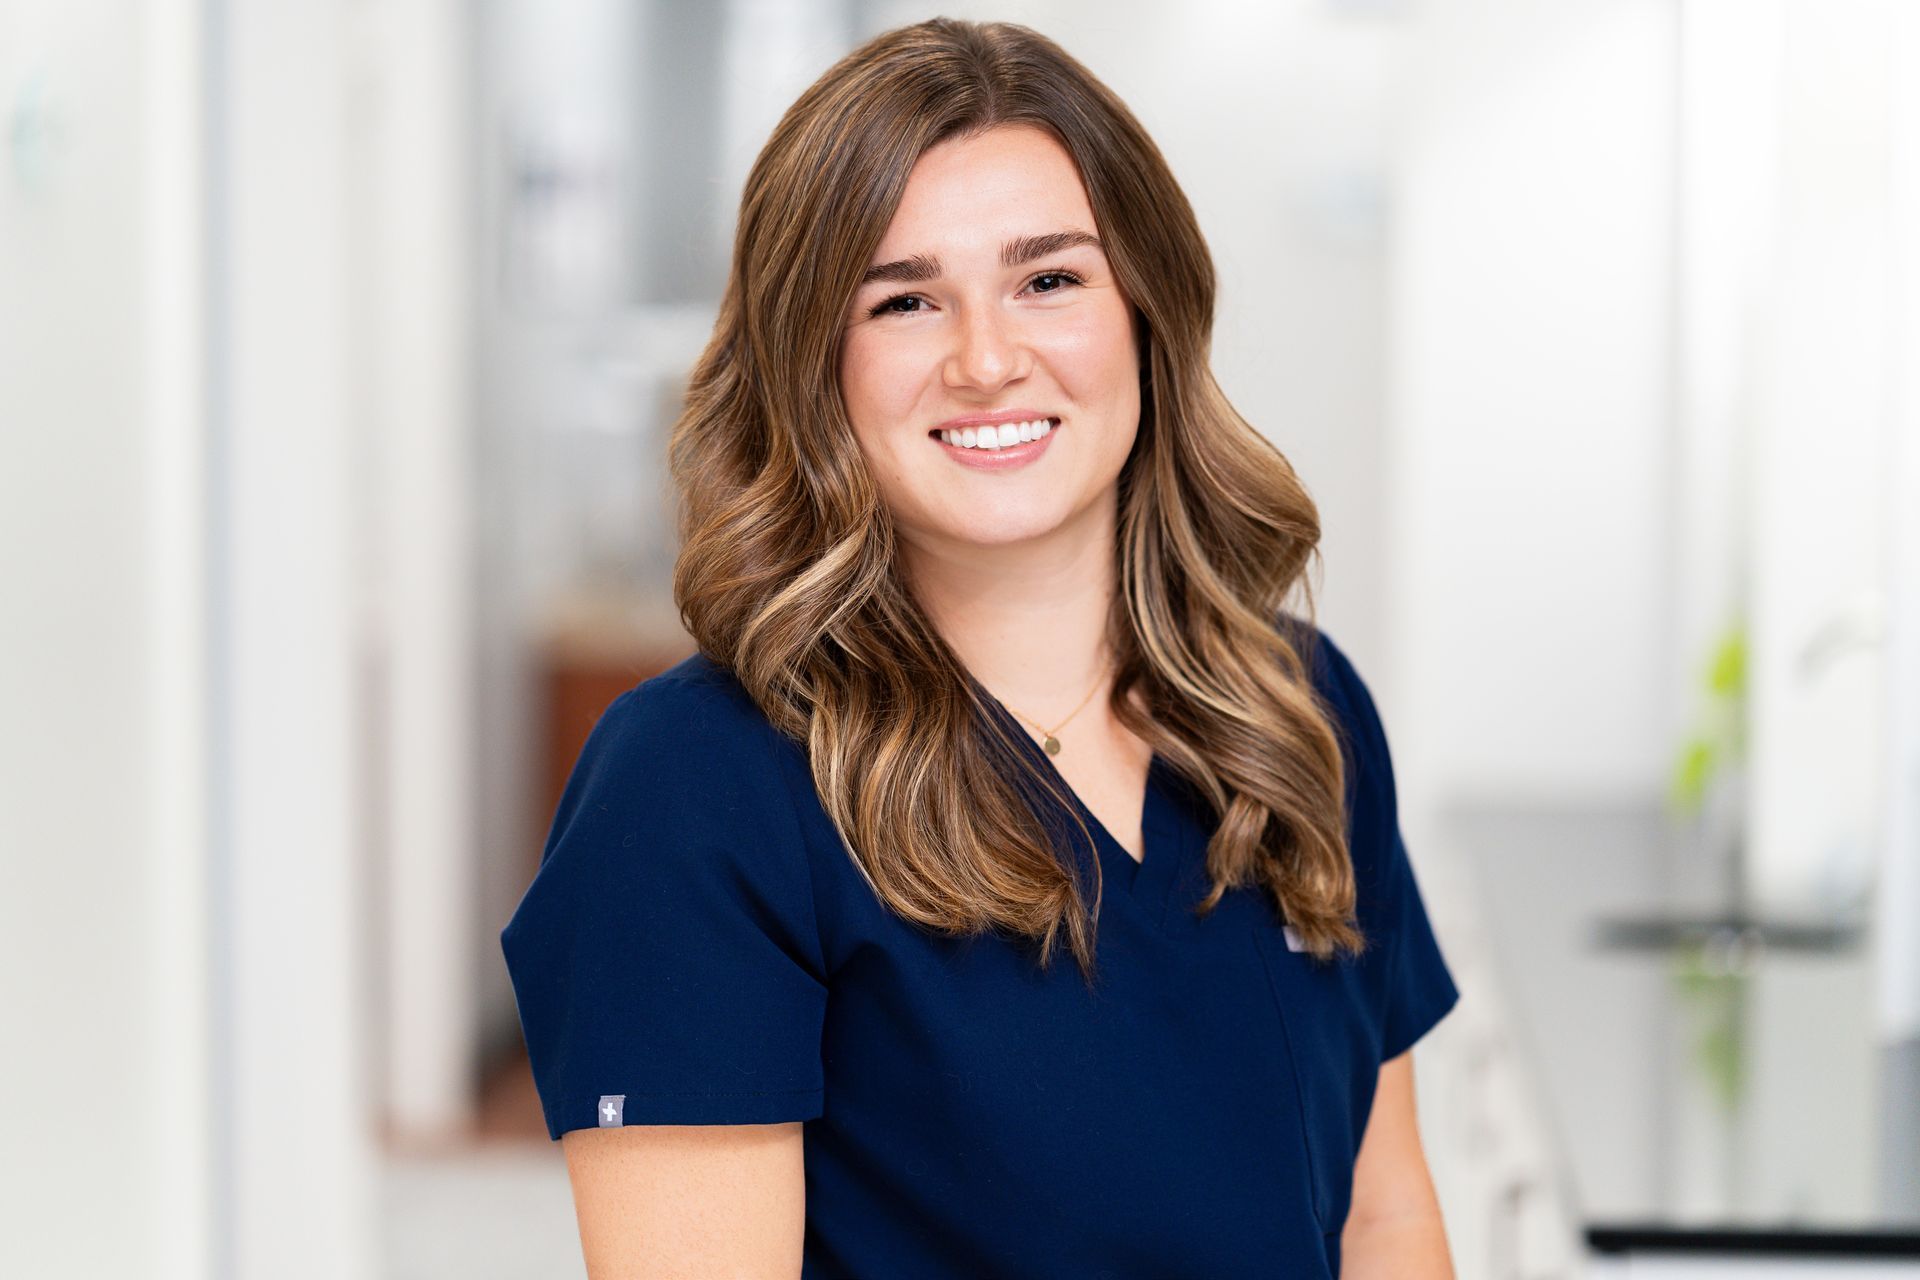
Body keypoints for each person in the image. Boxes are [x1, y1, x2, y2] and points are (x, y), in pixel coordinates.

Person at [499, 16, 1460, 1279]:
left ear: (1146, 312)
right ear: (812, 368)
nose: (989, 358)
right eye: (905, 300)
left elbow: (1382, 1217)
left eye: (1049, 278)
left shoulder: (1293, 713)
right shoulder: (694, 794)